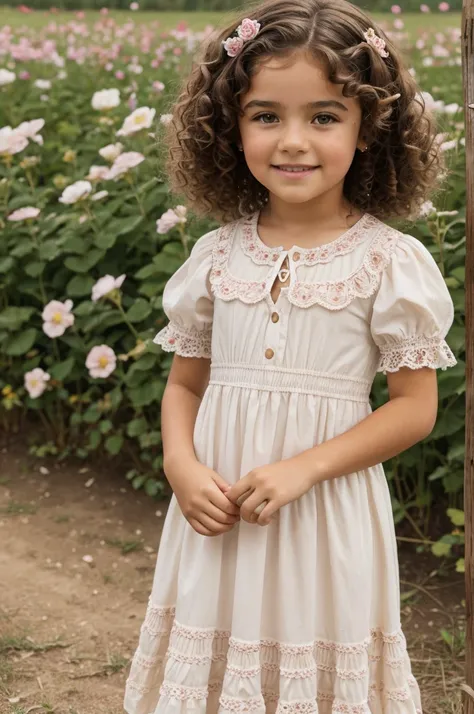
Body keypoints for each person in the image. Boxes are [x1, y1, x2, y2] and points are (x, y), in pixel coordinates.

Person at [124, 0, 457, 711]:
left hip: (322, 509)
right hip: (219, 511)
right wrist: (180, 465)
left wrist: (303, 468)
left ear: (371, 129)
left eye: (325, 117)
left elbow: (415, 407)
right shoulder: (217, 255)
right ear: (229, 125)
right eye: (266, 115)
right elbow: (185, 386)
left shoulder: (389, 263)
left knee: (313, 651)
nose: (293, 140)